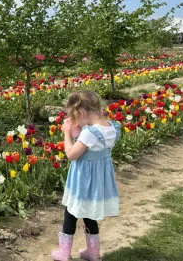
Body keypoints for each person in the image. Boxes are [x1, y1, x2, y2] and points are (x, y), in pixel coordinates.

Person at [51, 90, 121, 261]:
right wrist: (79, 128)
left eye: (74, 118)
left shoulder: (89, 133)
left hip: (82, 180)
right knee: (90, 214)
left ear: (81, 113)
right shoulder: (112, 127)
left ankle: (64, 253)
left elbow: (71, 154)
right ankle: (93, 252)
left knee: (71, 212)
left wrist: (67, 134)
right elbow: (94, 146)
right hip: (98, 181)